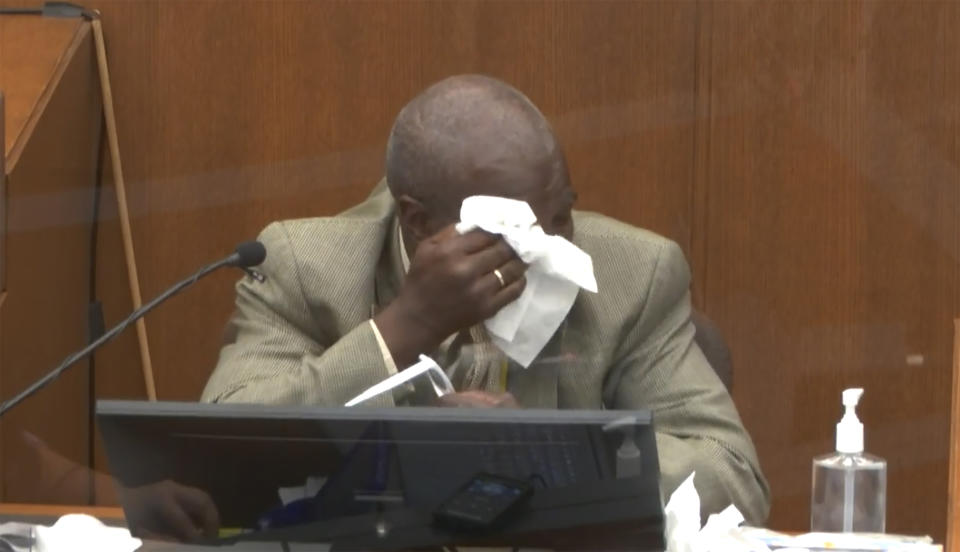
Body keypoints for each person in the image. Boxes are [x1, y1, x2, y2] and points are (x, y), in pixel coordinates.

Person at [201, 74, 770, 524]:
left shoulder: (633, 273)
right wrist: (404, 328)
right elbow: (220, 457)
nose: (548, 246)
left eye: (563, 215)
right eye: (518, 230)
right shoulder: (309, 267)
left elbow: (731, 472)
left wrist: (546, 454)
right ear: (420, 222)